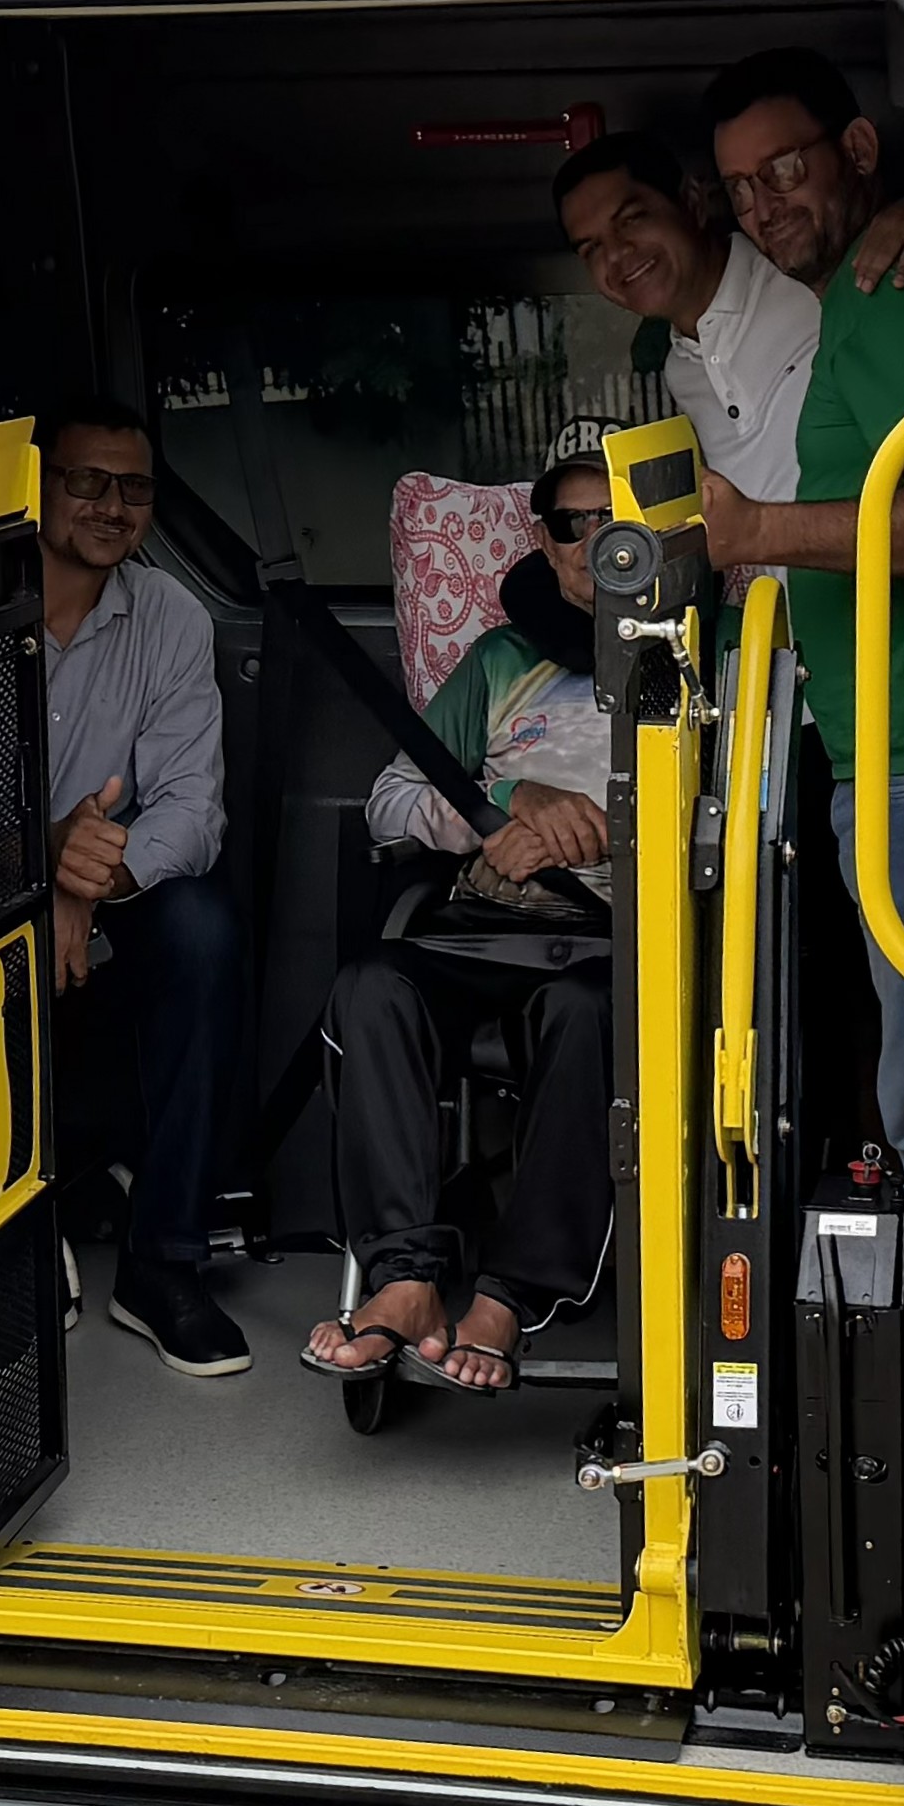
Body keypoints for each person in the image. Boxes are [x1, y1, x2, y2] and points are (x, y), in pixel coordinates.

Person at [299, 446, 624, 1398]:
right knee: (371, 987)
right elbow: (393, 799)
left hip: (622, 935)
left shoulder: (712, 655)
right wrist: (505, 807)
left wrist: (599, 828)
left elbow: (749, 813)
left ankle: (508, 1300)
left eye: (617, 517)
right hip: (483, 919)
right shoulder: (499, 660)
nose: (596, 539)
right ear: (546, 541)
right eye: (573, 522)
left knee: (584, 1012)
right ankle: (403, 1279)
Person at [688, 48, 904, 1164]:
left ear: (861, 153)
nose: (761, 206)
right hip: (878, 758)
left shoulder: (883, 301)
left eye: (781, 170)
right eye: (739, 189)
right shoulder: (849, 304)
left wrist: (755, 534)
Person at [30, 397, 252, 1376]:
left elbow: (192, 810)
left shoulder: (169, 615)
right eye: (87, 480)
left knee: (201, 929)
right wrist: (47, 865)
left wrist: (96, 876)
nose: (113, 506)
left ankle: (162, 1263)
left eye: (134, 487)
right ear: (37, 486)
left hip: (106, 899)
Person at [557, 127, 815, 497]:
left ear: (692, 202)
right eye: (591, 248)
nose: (615, 255)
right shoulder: (681, 372)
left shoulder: (803, 279)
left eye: (631, 219)